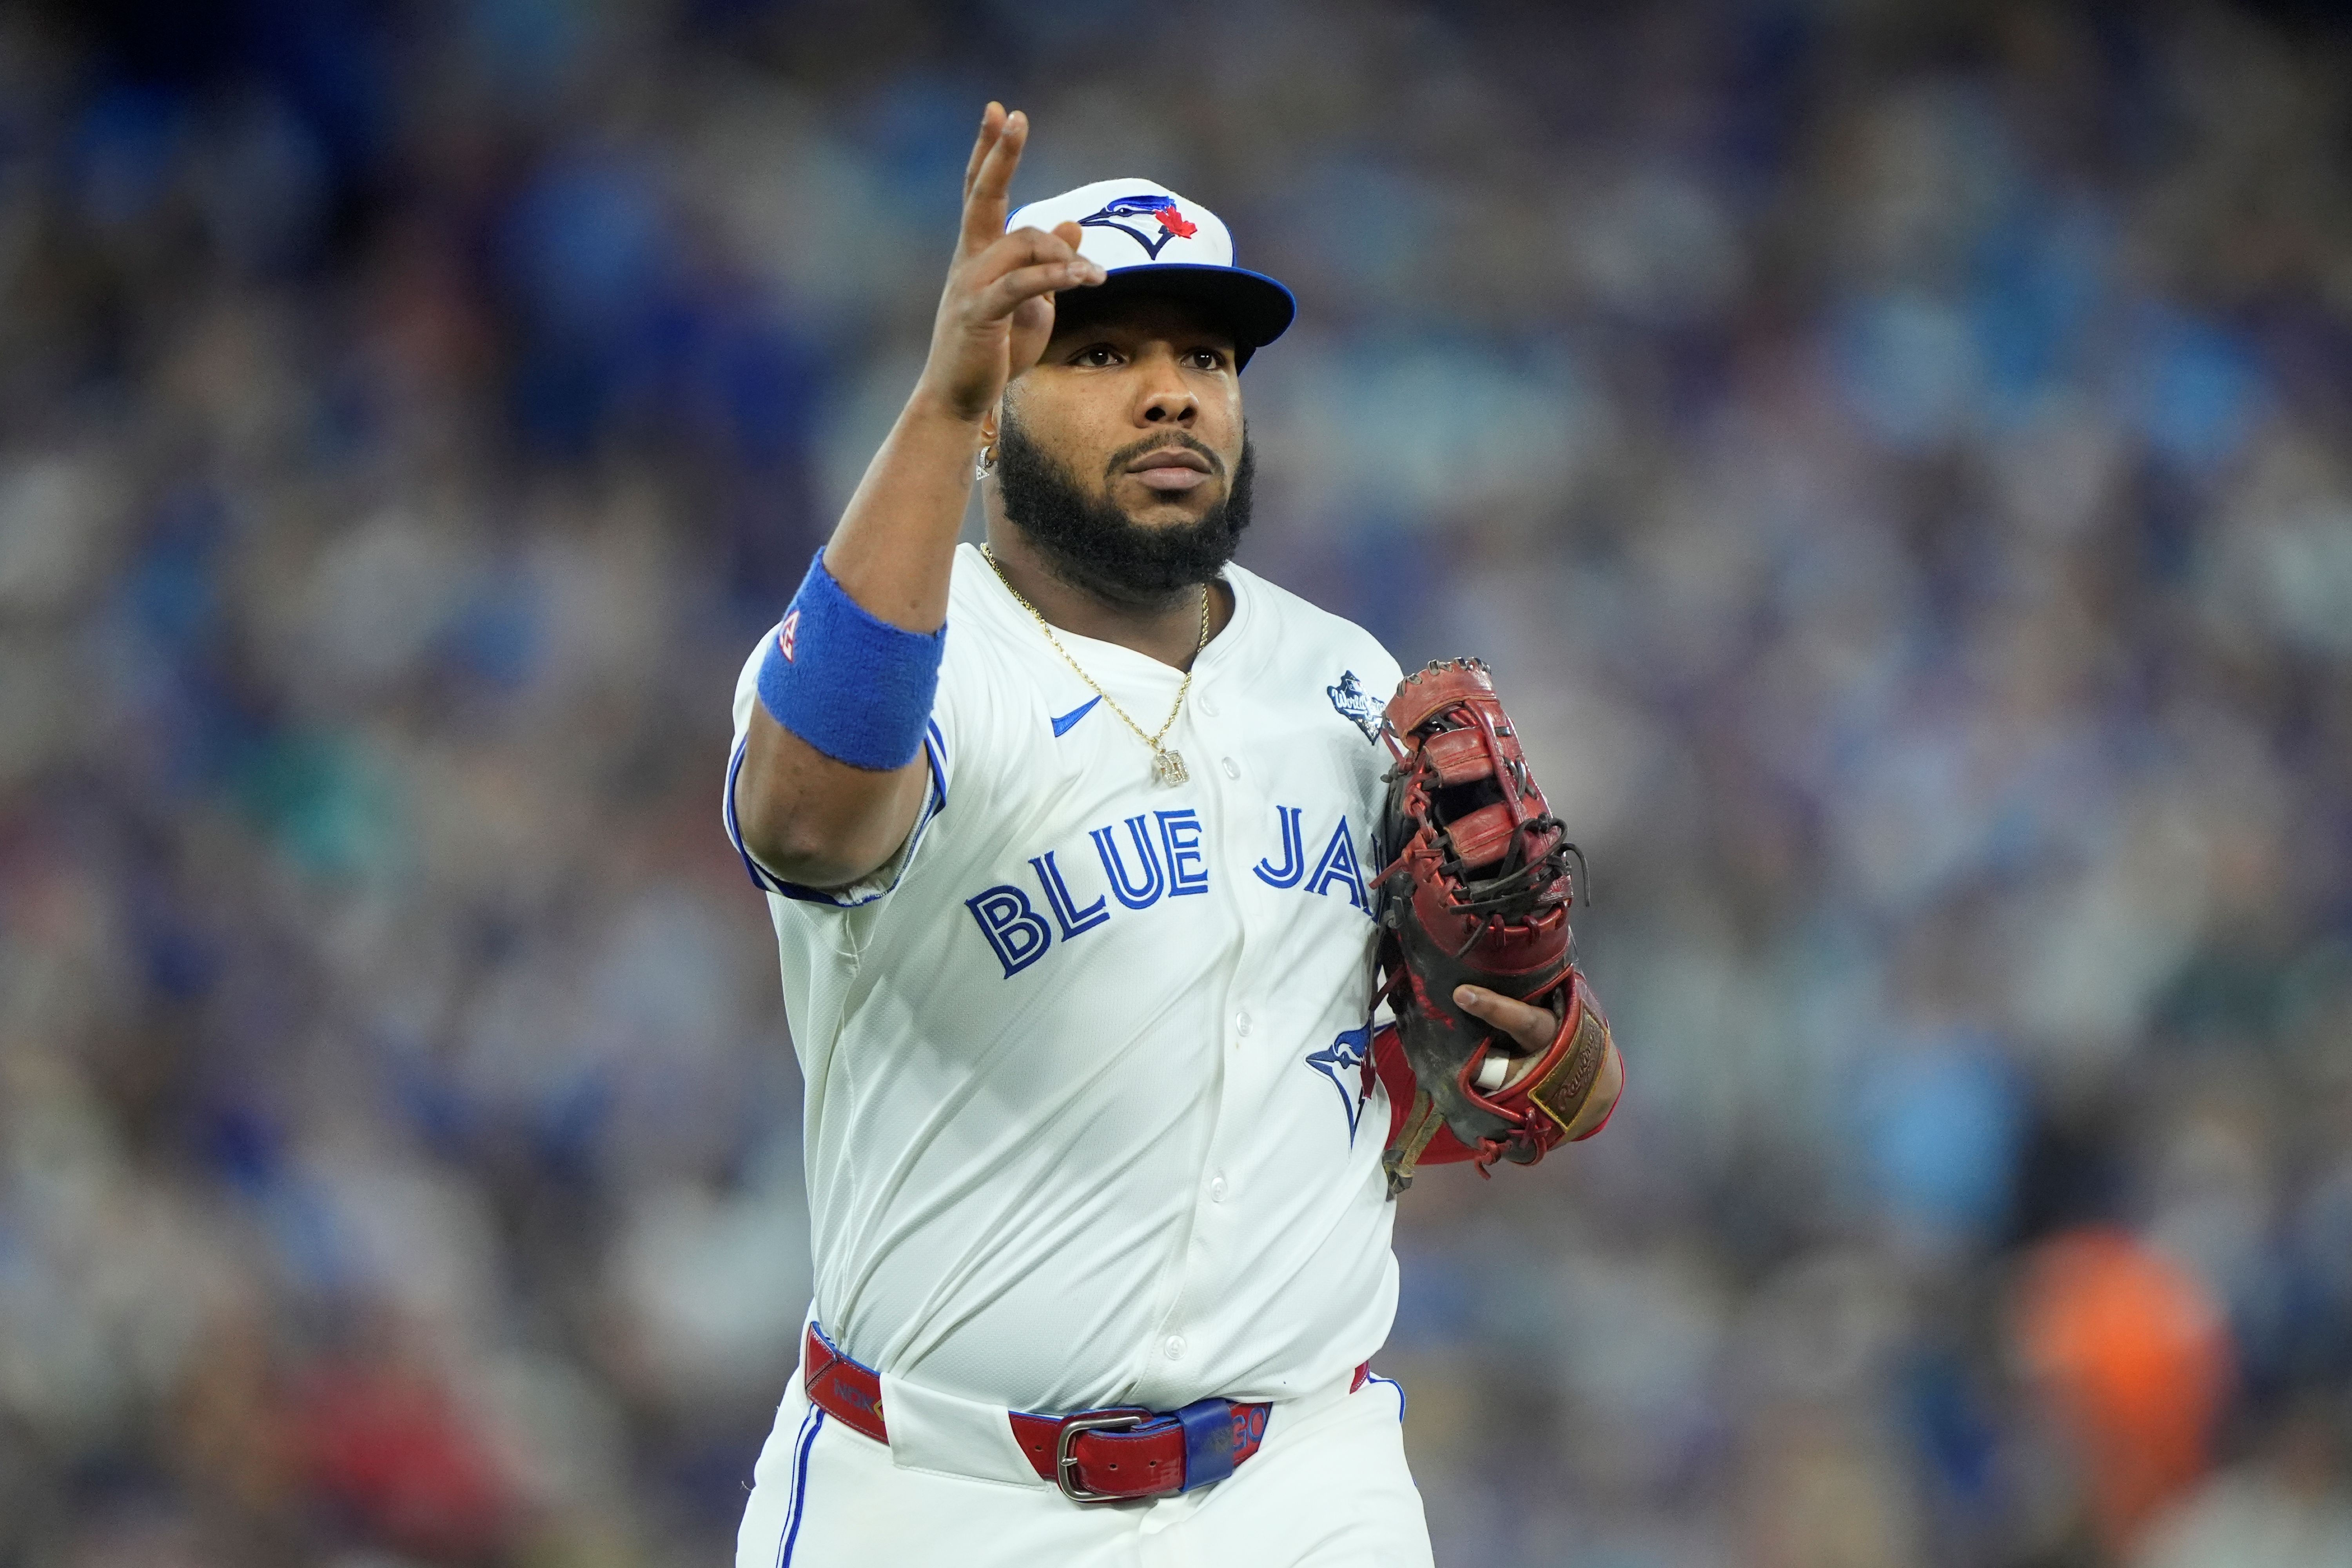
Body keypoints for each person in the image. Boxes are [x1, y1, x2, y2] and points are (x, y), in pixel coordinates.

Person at [723, 103, 1621, 1566]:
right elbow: (811, 821)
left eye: (1205, 359)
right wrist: (938, 407)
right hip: (936, 1488)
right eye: (1100, 357)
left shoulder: (1342, 678)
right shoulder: (900, 659)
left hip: (1300, 1482)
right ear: (998, 402)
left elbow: (1361, 1062)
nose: (1170, 397)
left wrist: (1516, 1056)